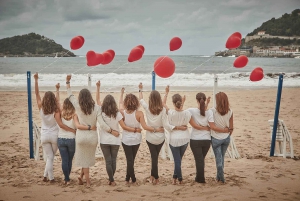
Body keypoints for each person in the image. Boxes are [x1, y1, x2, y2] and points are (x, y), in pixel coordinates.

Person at [65, 75, 118, 187]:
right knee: (87, 159)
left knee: (85, 160)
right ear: (90, 97)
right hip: (92, 137)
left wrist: (67, 82)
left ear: (80, 97)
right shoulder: (97, 108)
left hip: (81, 137)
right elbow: (102, 124)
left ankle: (87, 180)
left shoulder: (78, 106)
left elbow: (69, 95)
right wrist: (112, 131)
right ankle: (83, 177)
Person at [138, 83, 187, 185]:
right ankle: (155, 177)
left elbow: (141, 100)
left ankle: (155, 177)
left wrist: (140, 89)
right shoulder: (163, 110)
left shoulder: (147, 108)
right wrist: (177, 128)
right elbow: (166, 125)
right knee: (155, 157)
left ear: (150, 99)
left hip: (150, 137)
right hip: (160, 138)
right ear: (159, 99)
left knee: (154, 157)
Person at [96, 81, 141, 186]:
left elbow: (97, 100)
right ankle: (112, 179)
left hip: (104, 140)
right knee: (113, 160)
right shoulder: (117, 113)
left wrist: (98, 88)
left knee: (108, 161)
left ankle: (111, 180)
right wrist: (135, 129)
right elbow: (123, 126)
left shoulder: (101, 111)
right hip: (115, 140)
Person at [34, 73, 74, 183]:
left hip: (44, 135)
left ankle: (45, 176)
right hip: (54, 135)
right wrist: (57, 90)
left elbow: (36, 93)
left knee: (49, 157)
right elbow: (60, 123)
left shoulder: (40, 107)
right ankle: (50, 178)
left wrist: (36, 80)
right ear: (52, 100)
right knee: (51, 157)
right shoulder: (56, 110)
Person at [163, 85, 207, 185]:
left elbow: (163, 104)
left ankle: (180, 179)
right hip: (185, 140)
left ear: (174, 103)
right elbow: (182, 110)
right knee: (178, 160)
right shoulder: (187, 113)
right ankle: (174, 178)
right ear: (181, 103)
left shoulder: (170, 113)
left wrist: (166, 92)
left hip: (174, 139)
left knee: (177, 160)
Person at [119, 87, 164, 186]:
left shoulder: (122, 112)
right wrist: (157, 129)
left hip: (126, 139)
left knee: (129, 160)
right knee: (131, 160)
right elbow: (144, 126)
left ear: (126, 103)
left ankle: (127, 179)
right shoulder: (139, 113)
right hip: (136, 140)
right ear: (135, 103)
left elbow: (120, 103)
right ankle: (133, 179)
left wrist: (121, 94)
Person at [55, 83, 96, 185]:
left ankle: (67, 179)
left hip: (65, 138)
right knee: (74, 160)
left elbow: (62, 100)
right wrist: (74, 130)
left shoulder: (63, 111)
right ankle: (80, 180)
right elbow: (77, 125)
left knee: (65, 160)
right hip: (75, 139)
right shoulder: (75, 113)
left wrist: (62, 87)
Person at [187, 93, 221, 183]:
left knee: (199, 160)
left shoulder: (191, 110)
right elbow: (205, 113)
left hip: (195, 139)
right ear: (204, 100)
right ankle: (198, 178)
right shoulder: (209, 112)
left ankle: (201, 179)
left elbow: (181, 111)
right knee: (201, 160)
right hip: (206, 140)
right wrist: (205, 128)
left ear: (196, 100)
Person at [207, 92, 233, 183]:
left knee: (219, 160)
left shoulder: (212, 111)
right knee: (222, 158)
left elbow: (212, 127)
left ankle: (222, 178)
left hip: (216, 138)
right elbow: (231, 128)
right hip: (226, 138)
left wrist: (223, 131)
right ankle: (218, 178)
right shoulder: (230, 111)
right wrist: (227, 132)